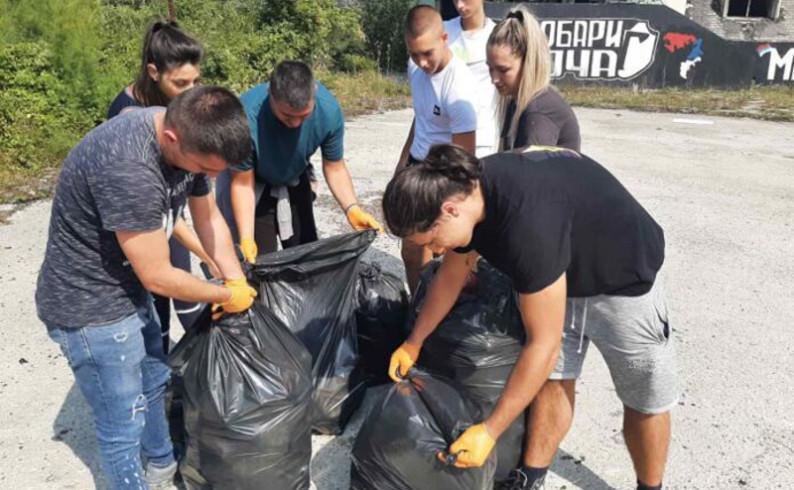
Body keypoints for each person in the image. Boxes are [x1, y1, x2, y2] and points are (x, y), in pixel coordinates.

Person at [385, 144, 676, 490]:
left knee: (643, 400)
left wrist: (490, 431)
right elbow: (452, 275)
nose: (433, 250)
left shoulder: (525, 222)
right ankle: (531, 477)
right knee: (551, 382)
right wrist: (413, 343)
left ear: (449, 210)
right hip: (559, 274)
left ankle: (650, 486)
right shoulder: (465, 194)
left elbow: (543, 345)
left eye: (431, 239)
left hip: (624, 278)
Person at [36, 86, 258, 490]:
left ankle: (161, 465)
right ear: (172, 139)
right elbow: (157, 276)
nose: (209, 179)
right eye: (205, 169)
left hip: (126, 286)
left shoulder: (185, 130)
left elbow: (207, 221)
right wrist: (225, 295)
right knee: (122, 425)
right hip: (90, 306)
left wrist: (234, 276)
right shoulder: (129, 168)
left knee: (155, 379)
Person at [108, 19, 215, 352]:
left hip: (171, 214)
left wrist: (211, 254)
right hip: (140, 223)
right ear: (153, 72)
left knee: (183, 293)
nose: (192, 90)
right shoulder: (127, 117)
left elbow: (199, 200)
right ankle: (159, 374)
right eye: (182, 83)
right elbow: (158, 210)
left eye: (196, 81)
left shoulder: (177, 104)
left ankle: (196, 366)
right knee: (155, 304)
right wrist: (205, 253)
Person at [216, 60, 381, 263]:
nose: (295, 123)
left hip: (294, 174)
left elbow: (335, 167)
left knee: (306, 255)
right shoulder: (244, 117)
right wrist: (247, 237)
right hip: (252, 184)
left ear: (314, 93)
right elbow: (242, 183)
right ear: (270, 93)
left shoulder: (328, 111)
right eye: (286, 116)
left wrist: (352, 208)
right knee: (261, 263)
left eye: (303, 116)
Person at [396, 5, 479, 292]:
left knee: (440, 251)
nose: (421, 62)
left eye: (427, 53)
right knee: (410, 250)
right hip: (416, 164)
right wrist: (402, 164)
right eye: (413, 54)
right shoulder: (415, 67)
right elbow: (421, 117)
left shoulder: (459, 89)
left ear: (445, 39)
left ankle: (438, 319)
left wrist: (449, 200)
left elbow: (464, 160)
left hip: (443, 173)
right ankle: (417, 307)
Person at [487, 5, 580, 152]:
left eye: (503, 70)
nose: (494, 79)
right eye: (490, 69)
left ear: (528, 64)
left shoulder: (538, 112)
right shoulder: (515, 101)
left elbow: (532, 173)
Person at [444, 0, 499, 157]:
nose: (460, 5)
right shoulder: (443, 31)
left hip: (483, 138)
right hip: (445, 135)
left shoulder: (497, 35)